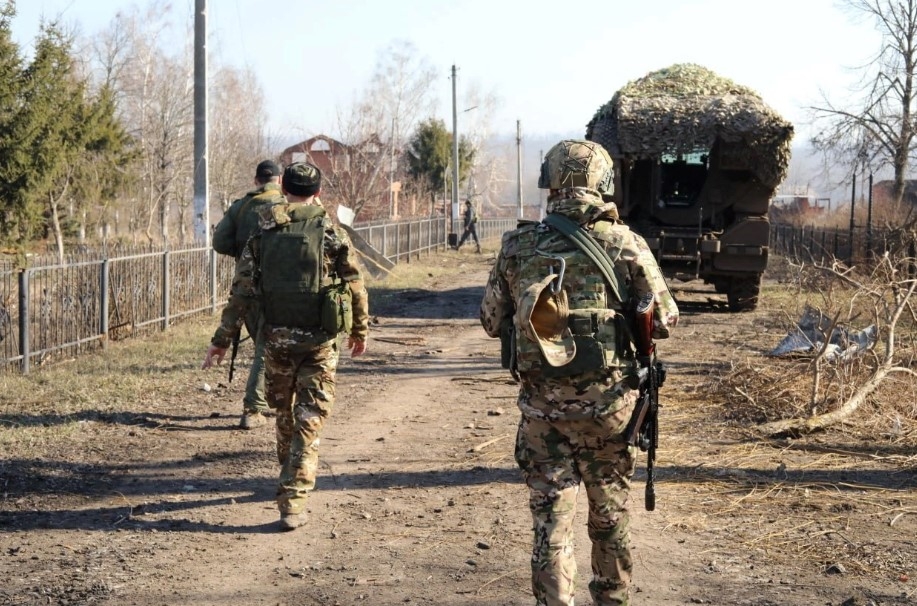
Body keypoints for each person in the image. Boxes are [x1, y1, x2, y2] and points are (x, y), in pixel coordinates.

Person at [479, 139, 679, 606]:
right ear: (604, 182)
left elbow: (491, 321)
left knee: (550, 523)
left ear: (549, 182)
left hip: (541, 415)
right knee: (609, 518)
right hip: (610, 413)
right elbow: (666, 320)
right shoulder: (625, 242)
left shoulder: (517, 245)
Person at [202, 162, 370, 531]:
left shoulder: (264, 231)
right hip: (321, 341)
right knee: (310, 419)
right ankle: (293, 495)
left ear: (285, 189)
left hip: (276, 338)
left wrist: (221, 341)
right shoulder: (330, 231)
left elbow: (242, 291)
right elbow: (355, 283)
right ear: (318, 193)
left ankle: (288, 475)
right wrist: (359, 329)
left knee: (285, 413)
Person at [211, 159, 285, 430]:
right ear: (279, 180)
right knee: (267, 349)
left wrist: (244, 254)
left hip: (246, 288)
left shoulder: (240, 207)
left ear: (256, 180)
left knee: (264, 347)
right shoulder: (286, 206)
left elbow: (219, 242)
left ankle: (269, 402)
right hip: (279, 289)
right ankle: (253, 408)